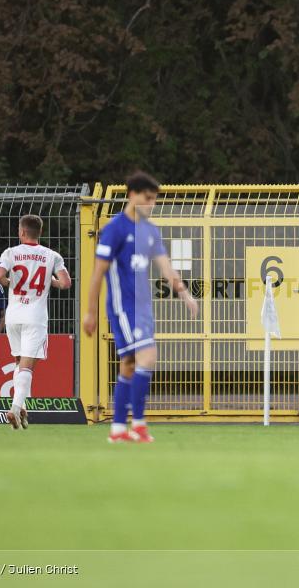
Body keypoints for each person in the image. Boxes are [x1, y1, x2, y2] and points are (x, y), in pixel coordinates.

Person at [82, 172, 198, 443]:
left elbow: (166, 268)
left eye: (154, 200)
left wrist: (185, 295)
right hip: (123, 308)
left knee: (129, 365)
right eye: (148, 198)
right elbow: (98, 273)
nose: (151, 204)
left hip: (144, 308)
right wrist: (90, 311)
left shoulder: (150, 230)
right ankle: (139, 424)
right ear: (132, 194)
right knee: (148, 356)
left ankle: (118, 430)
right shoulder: (114, 229)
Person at [0, 215, 71, 429]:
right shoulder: (52, 255)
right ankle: (14, 408)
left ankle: (22, 408)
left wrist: (10, 282)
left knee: (19, 363)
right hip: (35, 317)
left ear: (21, 232)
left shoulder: (11, 252)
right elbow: (65, 283)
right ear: (40, 232)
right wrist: (50, 281)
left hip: (13, 316)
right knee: (27, 366)